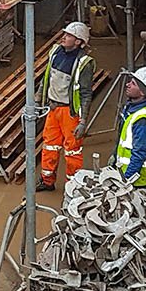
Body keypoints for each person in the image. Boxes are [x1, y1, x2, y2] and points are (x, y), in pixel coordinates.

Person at [36, 21, 95, 192]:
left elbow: (85, 93)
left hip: (70, 112)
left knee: (72, 151)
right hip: (53, 108)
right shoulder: (55, 52)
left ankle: (74, 186)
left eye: (69, 35)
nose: (64, 37)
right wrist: (40, 94)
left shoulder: (84, 63)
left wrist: (83, 121)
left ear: (78, 41)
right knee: (50, 146)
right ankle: (47, 181)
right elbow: (48, 76)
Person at [114, 67, 146, 188]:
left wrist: (124, 182)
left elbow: (138, 156)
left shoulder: (142, 121)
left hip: (137, 182)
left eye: (133, 83)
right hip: (127, 175)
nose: (128, 84)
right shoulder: (131, 109)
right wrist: (114, 156)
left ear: (142, 92)